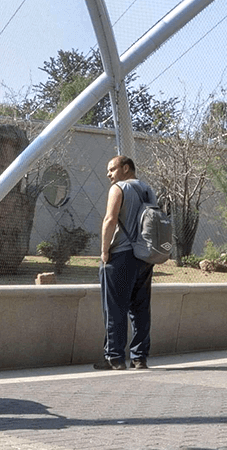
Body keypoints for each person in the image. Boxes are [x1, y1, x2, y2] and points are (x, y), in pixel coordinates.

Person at [96, 154, 156, 370]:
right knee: (140, 309)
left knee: (114, 308)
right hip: (145, 257)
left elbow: (110, 219)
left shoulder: (119, 188)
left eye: (112, 169)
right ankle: (139, 358)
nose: (108, 174)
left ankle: (114, 357)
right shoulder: (148, 189)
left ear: (126, 168)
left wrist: (104, 251)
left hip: (121, 254)